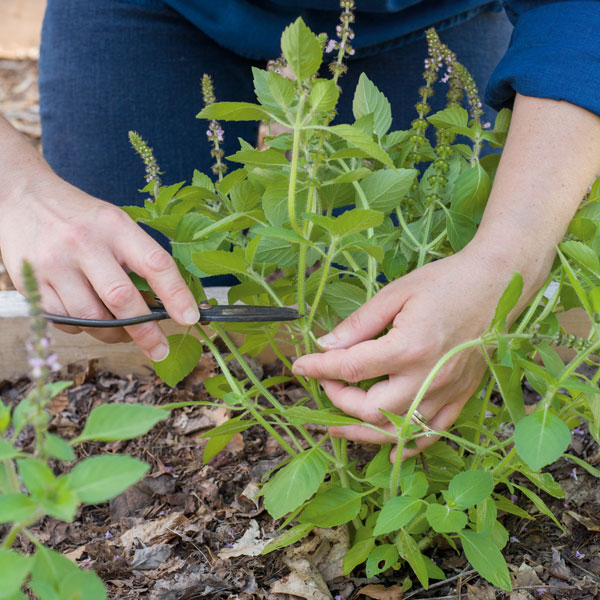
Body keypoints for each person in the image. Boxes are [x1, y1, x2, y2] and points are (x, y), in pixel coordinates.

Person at [0, 1, 599, 456]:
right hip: (156, 10)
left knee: (396, 304)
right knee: (123, 291)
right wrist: (17, 192)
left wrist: (504, 262)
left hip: (420, 14)